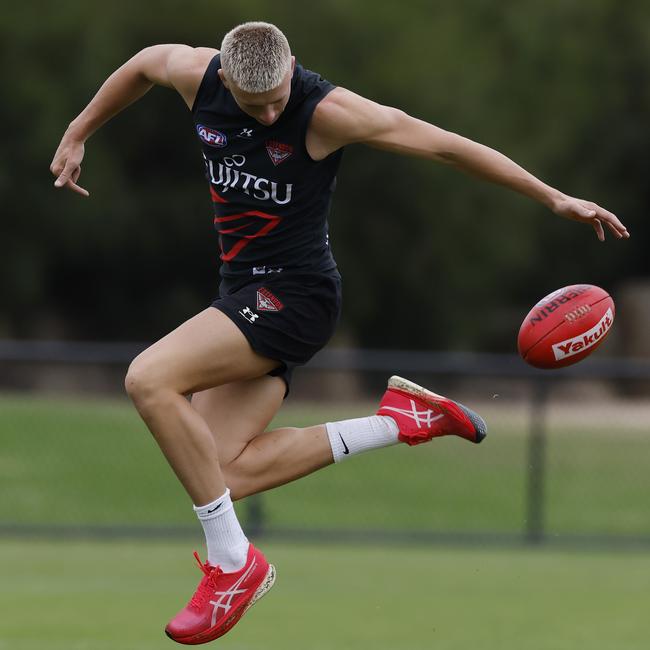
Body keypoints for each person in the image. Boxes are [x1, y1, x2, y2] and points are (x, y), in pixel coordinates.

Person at [50, 21, 629, 645]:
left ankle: (233, 563)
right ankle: (401, 421)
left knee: (148, 378)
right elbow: (141, 63)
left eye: (278, 95)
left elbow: (445, 146)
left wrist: (553, 198)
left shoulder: (328, 112)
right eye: (256, 105)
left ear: (291, 63)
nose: (272, 110)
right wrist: (79, 131)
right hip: (242, 292)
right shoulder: (197, 75)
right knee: (221, 470)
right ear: (223, 77)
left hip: (296, 296)